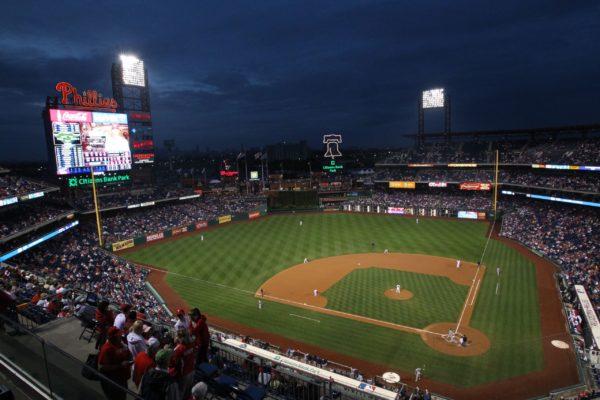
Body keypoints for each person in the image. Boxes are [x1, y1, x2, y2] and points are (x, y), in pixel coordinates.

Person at [98, 326, 132, 400]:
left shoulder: (119, 344)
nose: (121, 336)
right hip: (114, 382)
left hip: (122, 378)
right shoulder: (106, 349)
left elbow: (126, 354)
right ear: (114, 337)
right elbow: (103, 367)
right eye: (119, 335)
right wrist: (120, 365)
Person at [170, 330, 196, 399]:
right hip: (192, 370)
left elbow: (173, 362)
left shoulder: (179, 348)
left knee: (181, 392)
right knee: (188, 392)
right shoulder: (191, 344)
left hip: (184, 373)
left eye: (178, 336)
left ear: (180, 337)